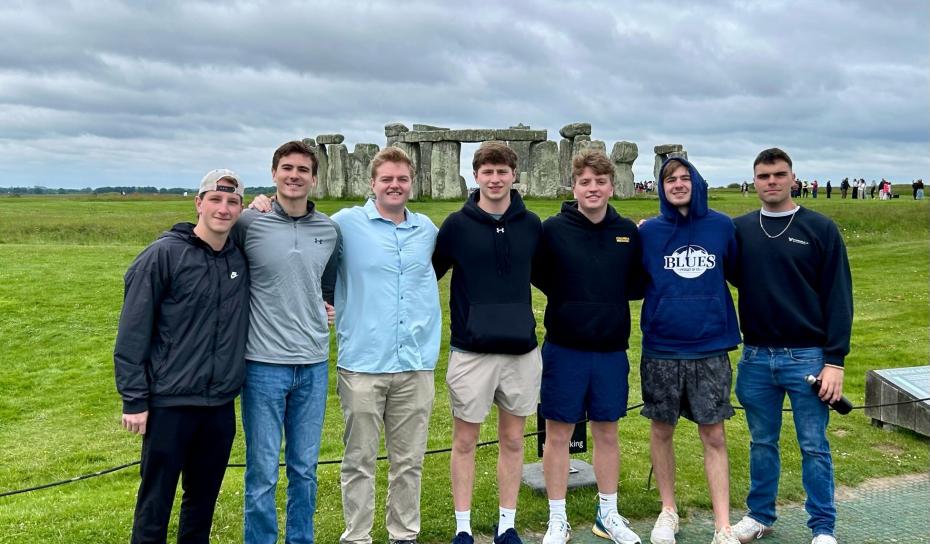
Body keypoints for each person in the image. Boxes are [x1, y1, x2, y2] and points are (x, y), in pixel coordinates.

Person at [114, 170, 250, 544]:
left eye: (232, 201)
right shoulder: (163, 255)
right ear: (198, 203)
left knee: (202, 501)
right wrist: (134, 398)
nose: (223, 209)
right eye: (215, 200)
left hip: (219, 404)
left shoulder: (239, 258)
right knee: (155, 501)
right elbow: (133, 332)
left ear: (240, 208)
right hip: (170, 402)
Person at [730, 148, 853, 544]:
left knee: (814, 444)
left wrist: (835, 361)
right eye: (764, 176)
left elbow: (839, 298)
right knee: (761, 441)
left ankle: (822, 526)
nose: (771, 182)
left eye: (779, 175)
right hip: (756, 354)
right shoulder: (741, 230)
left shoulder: (820, 228)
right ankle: (760, 514)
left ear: (793, 178)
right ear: (754, 180)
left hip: (807, 355)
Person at [433, 142, 543, 544]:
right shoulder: (456, 226)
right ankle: (462, 527)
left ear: (514, 176)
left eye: (502, 171)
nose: (495, 179)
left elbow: (551, 275)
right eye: (487, 172)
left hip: (521, 352)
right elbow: (427, 276)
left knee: (514, 440)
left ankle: (507, 523)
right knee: (465, 441)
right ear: (475, 175)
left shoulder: (531, 225)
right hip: (470, 350)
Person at [532, 150, 645, 544]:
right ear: (574, 186)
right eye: (585, 182)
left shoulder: (628, 231)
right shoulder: (552, 230)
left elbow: (635, 283)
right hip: (564, 348)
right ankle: (557, 518)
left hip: (611, 349)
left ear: (612, 186)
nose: (592, 188)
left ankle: (608, 515)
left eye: (600, 182)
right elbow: (542, 275)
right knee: (558, 433)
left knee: (607, 432)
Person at [332, 146, 441, 544]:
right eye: (387, 179)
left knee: (408, 461)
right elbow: (304, 238)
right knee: (359, 460)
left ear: (412, 183)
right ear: (372, 183)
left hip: (414, 362)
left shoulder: (427, 230)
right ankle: (357, 536)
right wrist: (262, 205)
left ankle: (403, 534)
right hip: (363, 361)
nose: (394, 185)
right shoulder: (345, 223)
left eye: (402, 179)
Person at [235, 140, 340, 544]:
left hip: (312, 362)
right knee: (261, 470)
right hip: (262, 363)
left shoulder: (328, 230)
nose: (294, 176)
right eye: (286, 168)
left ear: (314, 178)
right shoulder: (249, 223)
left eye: (302, 169)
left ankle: (301, 539)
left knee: (305, 469)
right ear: (274, 173)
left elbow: (327, 280)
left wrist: (325, 305)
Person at [637, 157, 743, 544]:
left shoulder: (721, 227)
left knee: (713, 434)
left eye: (685, 178)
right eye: (670, 179)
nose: (678, 184)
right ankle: (668, 511)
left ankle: (722, 525)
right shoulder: (648, 233)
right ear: (661, 187)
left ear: (697, 183)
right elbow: (634, 282)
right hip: (662, 346)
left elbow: (737, 272)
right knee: (661, 429)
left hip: (710, 346)